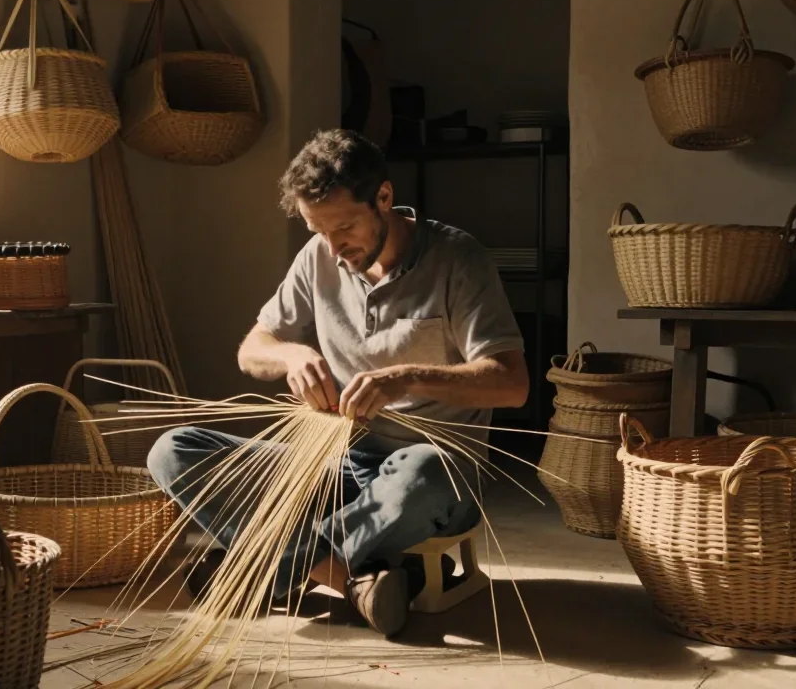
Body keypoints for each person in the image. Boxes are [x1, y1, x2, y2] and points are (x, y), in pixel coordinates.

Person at [147, 128, 529, 638]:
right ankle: (346, 578)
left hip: (430, 468)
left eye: (345, 227)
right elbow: (252, 349)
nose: (332, 247)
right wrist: (292, 356)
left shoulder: (459, 260)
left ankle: (265, 566)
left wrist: (409, 377)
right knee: (172, 450)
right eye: (316, 230)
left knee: (421, 476)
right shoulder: (318, 256)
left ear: (385, 198)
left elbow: (512, 383)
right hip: (334, 465)